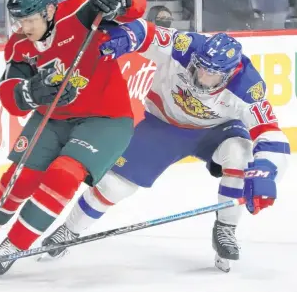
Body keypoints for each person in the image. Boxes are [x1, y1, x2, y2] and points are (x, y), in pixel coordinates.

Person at [0, 0, 151, 278]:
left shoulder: (80, 12)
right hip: (52, 117)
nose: (24, 26)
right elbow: (10, 91)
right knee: (20, 176)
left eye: (30, 18)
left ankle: (13, 245)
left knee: (64, 174)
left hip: (105, 119)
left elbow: (135, 6)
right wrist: (31, 93)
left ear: (50, 9)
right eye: (20, 19)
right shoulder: (19, 44)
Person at [41, 23, 290, 272]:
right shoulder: (185, 46)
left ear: (229, 74)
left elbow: (270, 133)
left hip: (215, 132)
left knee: (240, 154)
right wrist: (128, 36)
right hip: (162, 125)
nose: (201, 77)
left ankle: (225, 228)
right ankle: (69, 231)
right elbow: (146, 31)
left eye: (211, 74)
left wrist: (267, 171)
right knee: (113, 185)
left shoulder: (249, 88)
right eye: (199, 68)